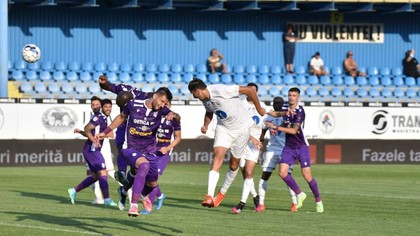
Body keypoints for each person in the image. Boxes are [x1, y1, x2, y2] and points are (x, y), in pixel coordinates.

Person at [95, 88, 181, 217]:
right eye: (162, 101)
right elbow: (121, 117)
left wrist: (174, 115)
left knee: (152, 183)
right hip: (129, 146)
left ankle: (128, 192)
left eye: (165, 103)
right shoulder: (134, 104)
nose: (163, 105)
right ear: (155, 96)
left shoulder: (162, 109)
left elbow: (176, 116)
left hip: (149, 150)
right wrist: (105, 132)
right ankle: (134, 205)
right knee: (143, 165)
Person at [188, 78, 266, 208]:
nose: (194, 96)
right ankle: (209, 196)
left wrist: (259, 109)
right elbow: (209, 111)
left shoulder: (221, 90)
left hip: (242, 130)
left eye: (193, 93)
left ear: (197, 91)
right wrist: (205, 125)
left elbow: (250, 90)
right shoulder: (205, 100)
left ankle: (222, 193)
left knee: (234, 164)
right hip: (224, 128)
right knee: (218, 155)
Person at [266, 87, 323, 213]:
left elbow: (293, 130)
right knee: (282, 173)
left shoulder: (299, 112)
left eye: (294, 95)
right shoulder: (286, 110)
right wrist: (261, 108)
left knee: (307, 176)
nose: (291, 97)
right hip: (289, 147)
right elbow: (277, 114)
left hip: (301, 146)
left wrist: (276, 127)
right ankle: (300, 194)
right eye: (290, 95)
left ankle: (318, 201)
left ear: (298, 97)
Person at [98, 75, 152, 189]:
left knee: (136, 164)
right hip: (123, 123)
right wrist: (103, 83)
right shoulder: (122, 89)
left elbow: (156, 97)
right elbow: (107, 86)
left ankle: (131, 182)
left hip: (136, 126)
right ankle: (122, 173)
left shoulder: (142, 97)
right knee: (121, 146)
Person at [67, 98, 118, 207]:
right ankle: (107, 199)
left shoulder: (103, 118)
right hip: (92, 150)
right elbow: (87, 129)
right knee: (103, 173)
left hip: (93, 149)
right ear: (102, 107)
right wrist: (94, 140)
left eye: (110, 107)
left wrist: (83, 133)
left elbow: (88, 132)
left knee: (95, 176)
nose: (108, 109)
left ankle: (74, 190)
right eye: (105, 107)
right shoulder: (98, 117)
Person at [255, 96, 297, 213]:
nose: (277, 105)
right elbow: (263, 130)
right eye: (275, 103)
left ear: (283, 104)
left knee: (287, 177)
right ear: (272, 105)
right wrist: (260, 140)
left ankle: (294, 202)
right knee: (265, 175)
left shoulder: (287, 116)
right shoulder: (268, 116)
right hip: (272, 149)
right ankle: (261, 204)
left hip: (286, 149)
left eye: (279, 103)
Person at [140, 103, 182, 215]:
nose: (163, 106)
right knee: (148, 178)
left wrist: (167, 148)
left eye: (166, 104)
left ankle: (148, 208)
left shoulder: (174, 119)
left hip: (164, 153)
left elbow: (178, 138)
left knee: (154, 179)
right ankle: (161, 196)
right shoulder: (154, 116)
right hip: (152, 151)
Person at [231, 83, 266, 214]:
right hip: (240, 143)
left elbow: (265, 125)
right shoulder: (240, 105)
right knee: (245, 174)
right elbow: (238, 126)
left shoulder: (262, 107)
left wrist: (262, 136)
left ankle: (241, 204)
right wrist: (253, 138)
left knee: (249, 173)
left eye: (254, 92)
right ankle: (256, 198)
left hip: (253, 147)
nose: (252, 94)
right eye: (250, 91)